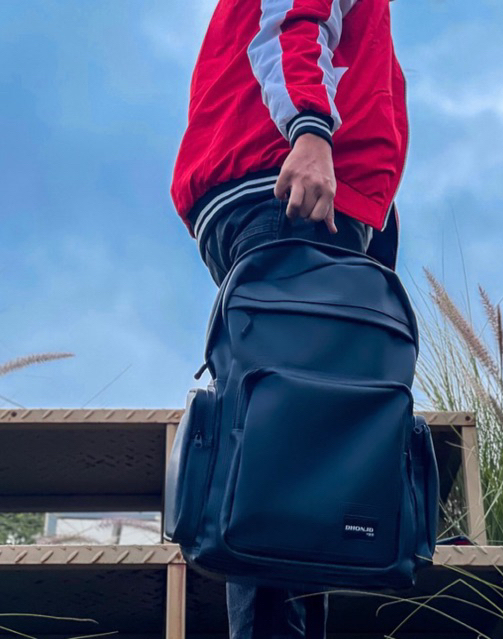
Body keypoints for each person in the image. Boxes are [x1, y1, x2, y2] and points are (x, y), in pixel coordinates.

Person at [170, 0, 408, 636]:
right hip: (287, 186)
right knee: (284, 437)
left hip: (285, 191)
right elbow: (291, 20)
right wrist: (310, 130)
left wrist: (374, 218)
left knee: (296, 437)